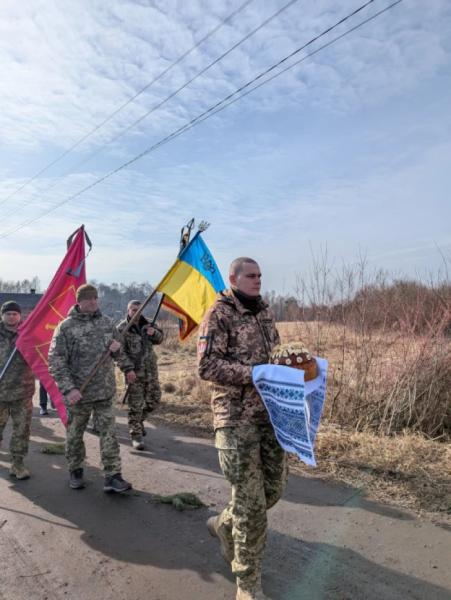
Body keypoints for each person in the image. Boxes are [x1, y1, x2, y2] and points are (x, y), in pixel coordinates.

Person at [198, 257, 287, 600]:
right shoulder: (219, 314)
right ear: (234, 278)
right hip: (235, 419)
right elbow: (206, 366)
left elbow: (273, 355)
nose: (258, 280)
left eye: (261, 275)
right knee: (251, 505)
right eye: (251, 275)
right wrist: (254, 374)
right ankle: (247, 582)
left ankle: (224, 524)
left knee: (272, 491)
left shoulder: (265, 312)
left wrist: (292, 366)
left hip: (270, 416)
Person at [48, 284, 135, 493]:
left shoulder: (106, 324)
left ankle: (113, 475)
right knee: (75, 435)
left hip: (104, 392)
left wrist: (125, 363)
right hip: (79, 394)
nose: (94, 302)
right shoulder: (66, 327)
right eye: (89, 299)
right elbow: (56, 361)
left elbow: (118, 350)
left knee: (109, 434)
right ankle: (76, 470)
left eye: (96, 299)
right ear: (79, 302)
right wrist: (69, 389)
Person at [117, 300, 163, 450]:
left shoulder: (148, 324)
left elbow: (160, 339)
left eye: (139, 309)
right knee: (135, 405)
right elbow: (119, 353)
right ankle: (136, 435)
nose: (136, 312)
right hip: (134, 373)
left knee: (154, 400)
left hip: (151, 371)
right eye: (133, 309)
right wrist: (128, 369)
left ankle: (139, 421)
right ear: (128, 310)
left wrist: (153, 333)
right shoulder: (122, 328)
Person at [0, 301, 35, 480]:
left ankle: (18, 464)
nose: (11, 316)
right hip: (0, 394)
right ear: (2, 315)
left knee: (22, 430)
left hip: (23, 392)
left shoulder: (28, 334)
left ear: (20, 316)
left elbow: (40, 357)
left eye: (15, 314)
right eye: (8, 314)